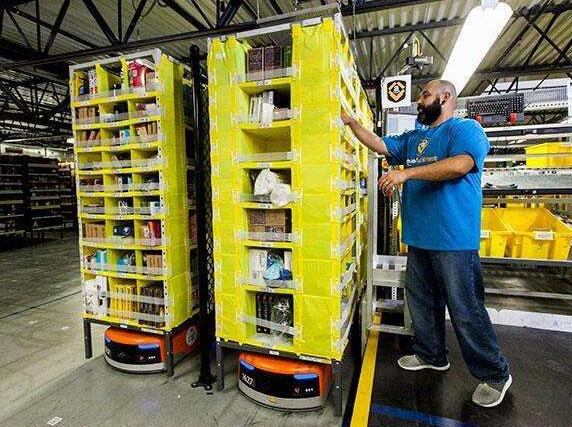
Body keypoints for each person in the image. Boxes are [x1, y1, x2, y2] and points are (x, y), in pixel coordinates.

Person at [341, 79, 511, 408]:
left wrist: (406, 174)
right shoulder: (414, 138)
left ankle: (495, 374)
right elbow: (380, 144)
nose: (420, 101)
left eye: (425, 95)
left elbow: (460, 165)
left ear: (445, 97)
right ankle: (432, 355)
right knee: (422, 302)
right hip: (419, 239)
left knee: (465, 309)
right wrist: (351, 123)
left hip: (454, 240)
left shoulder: (465, 129)